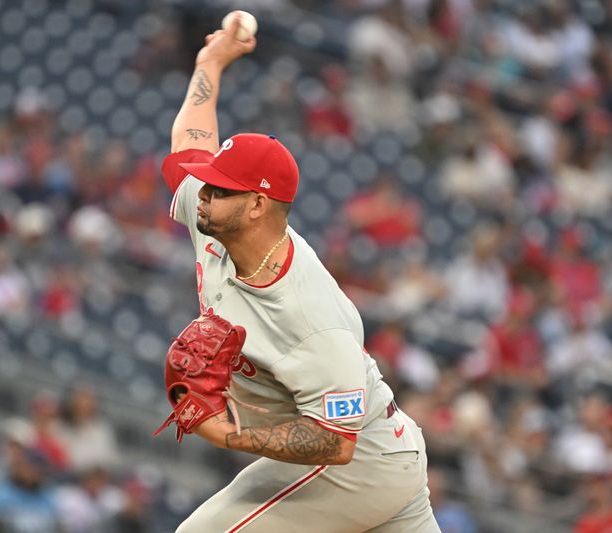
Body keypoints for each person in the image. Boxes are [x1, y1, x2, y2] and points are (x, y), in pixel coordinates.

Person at [156, 15, 440, 532]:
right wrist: (210, 64)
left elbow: (335, 441)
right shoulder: (216, 218)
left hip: (361, 464)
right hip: (388, 464)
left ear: (258, 205)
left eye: (221, 188)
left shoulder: (310, 314)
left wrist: (225, 433)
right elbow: (190, 142)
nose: (205, 192)